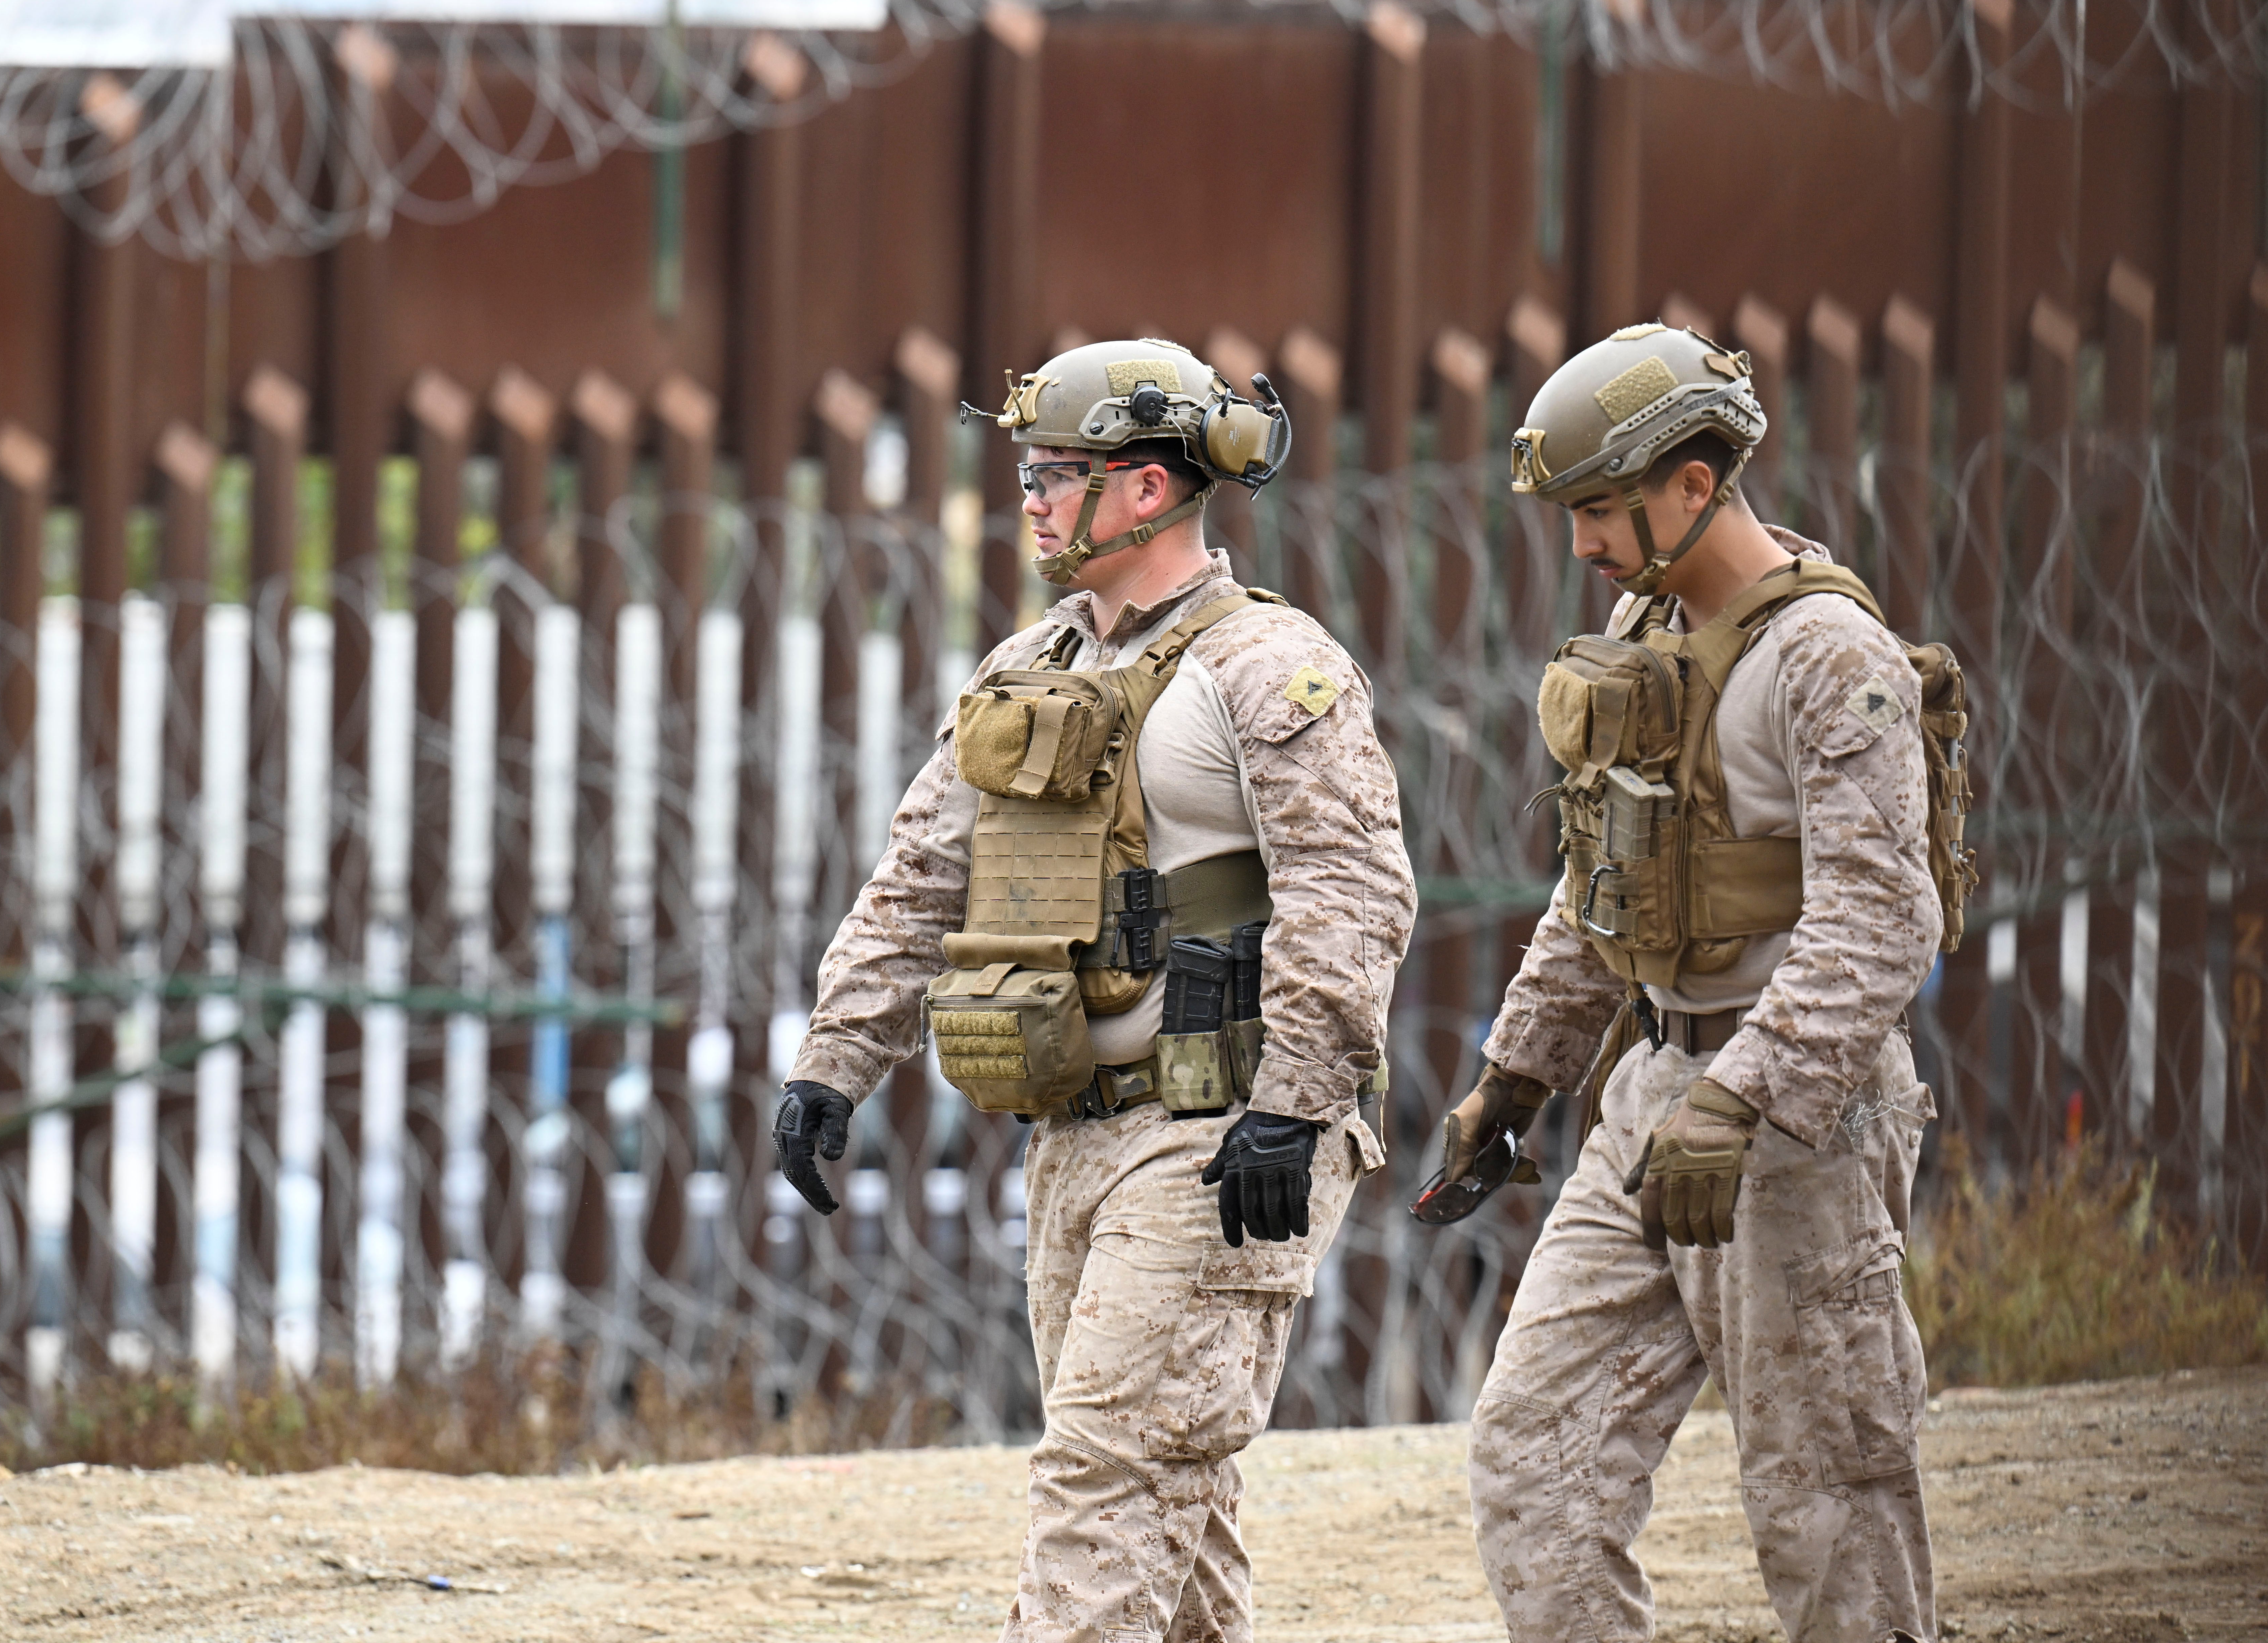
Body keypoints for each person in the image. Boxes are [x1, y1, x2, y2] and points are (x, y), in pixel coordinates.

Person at [772, 337, 1415, 1642]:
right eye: (1025, 473)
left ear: (1144, 491)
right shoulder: (1027, 668)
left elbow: (1354, 896)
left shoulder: (1269, 670)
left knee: (1104, 1478)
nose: (1028, 500)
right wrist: (834, 1063)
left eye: (1054, 474)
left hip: (1225, 1131)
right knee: (1171, 1486)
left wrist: (1292, 1104)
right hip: (1079, 1132)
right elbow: (921, 879)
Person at [1435, 321, 1952, 1643]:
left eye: (1600, 509)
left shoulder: (1832, 657)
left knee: (1826, 1493)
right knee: (1533, 1456)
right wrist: (1520, 1071)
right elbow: (1601, 878)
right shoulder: (1646, 623)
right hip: (1650, 1091)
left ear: (1696, 482)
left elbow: (1884, 916)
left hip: (1796, 1124)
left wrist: (1748, 1100)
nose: (1582, 541)